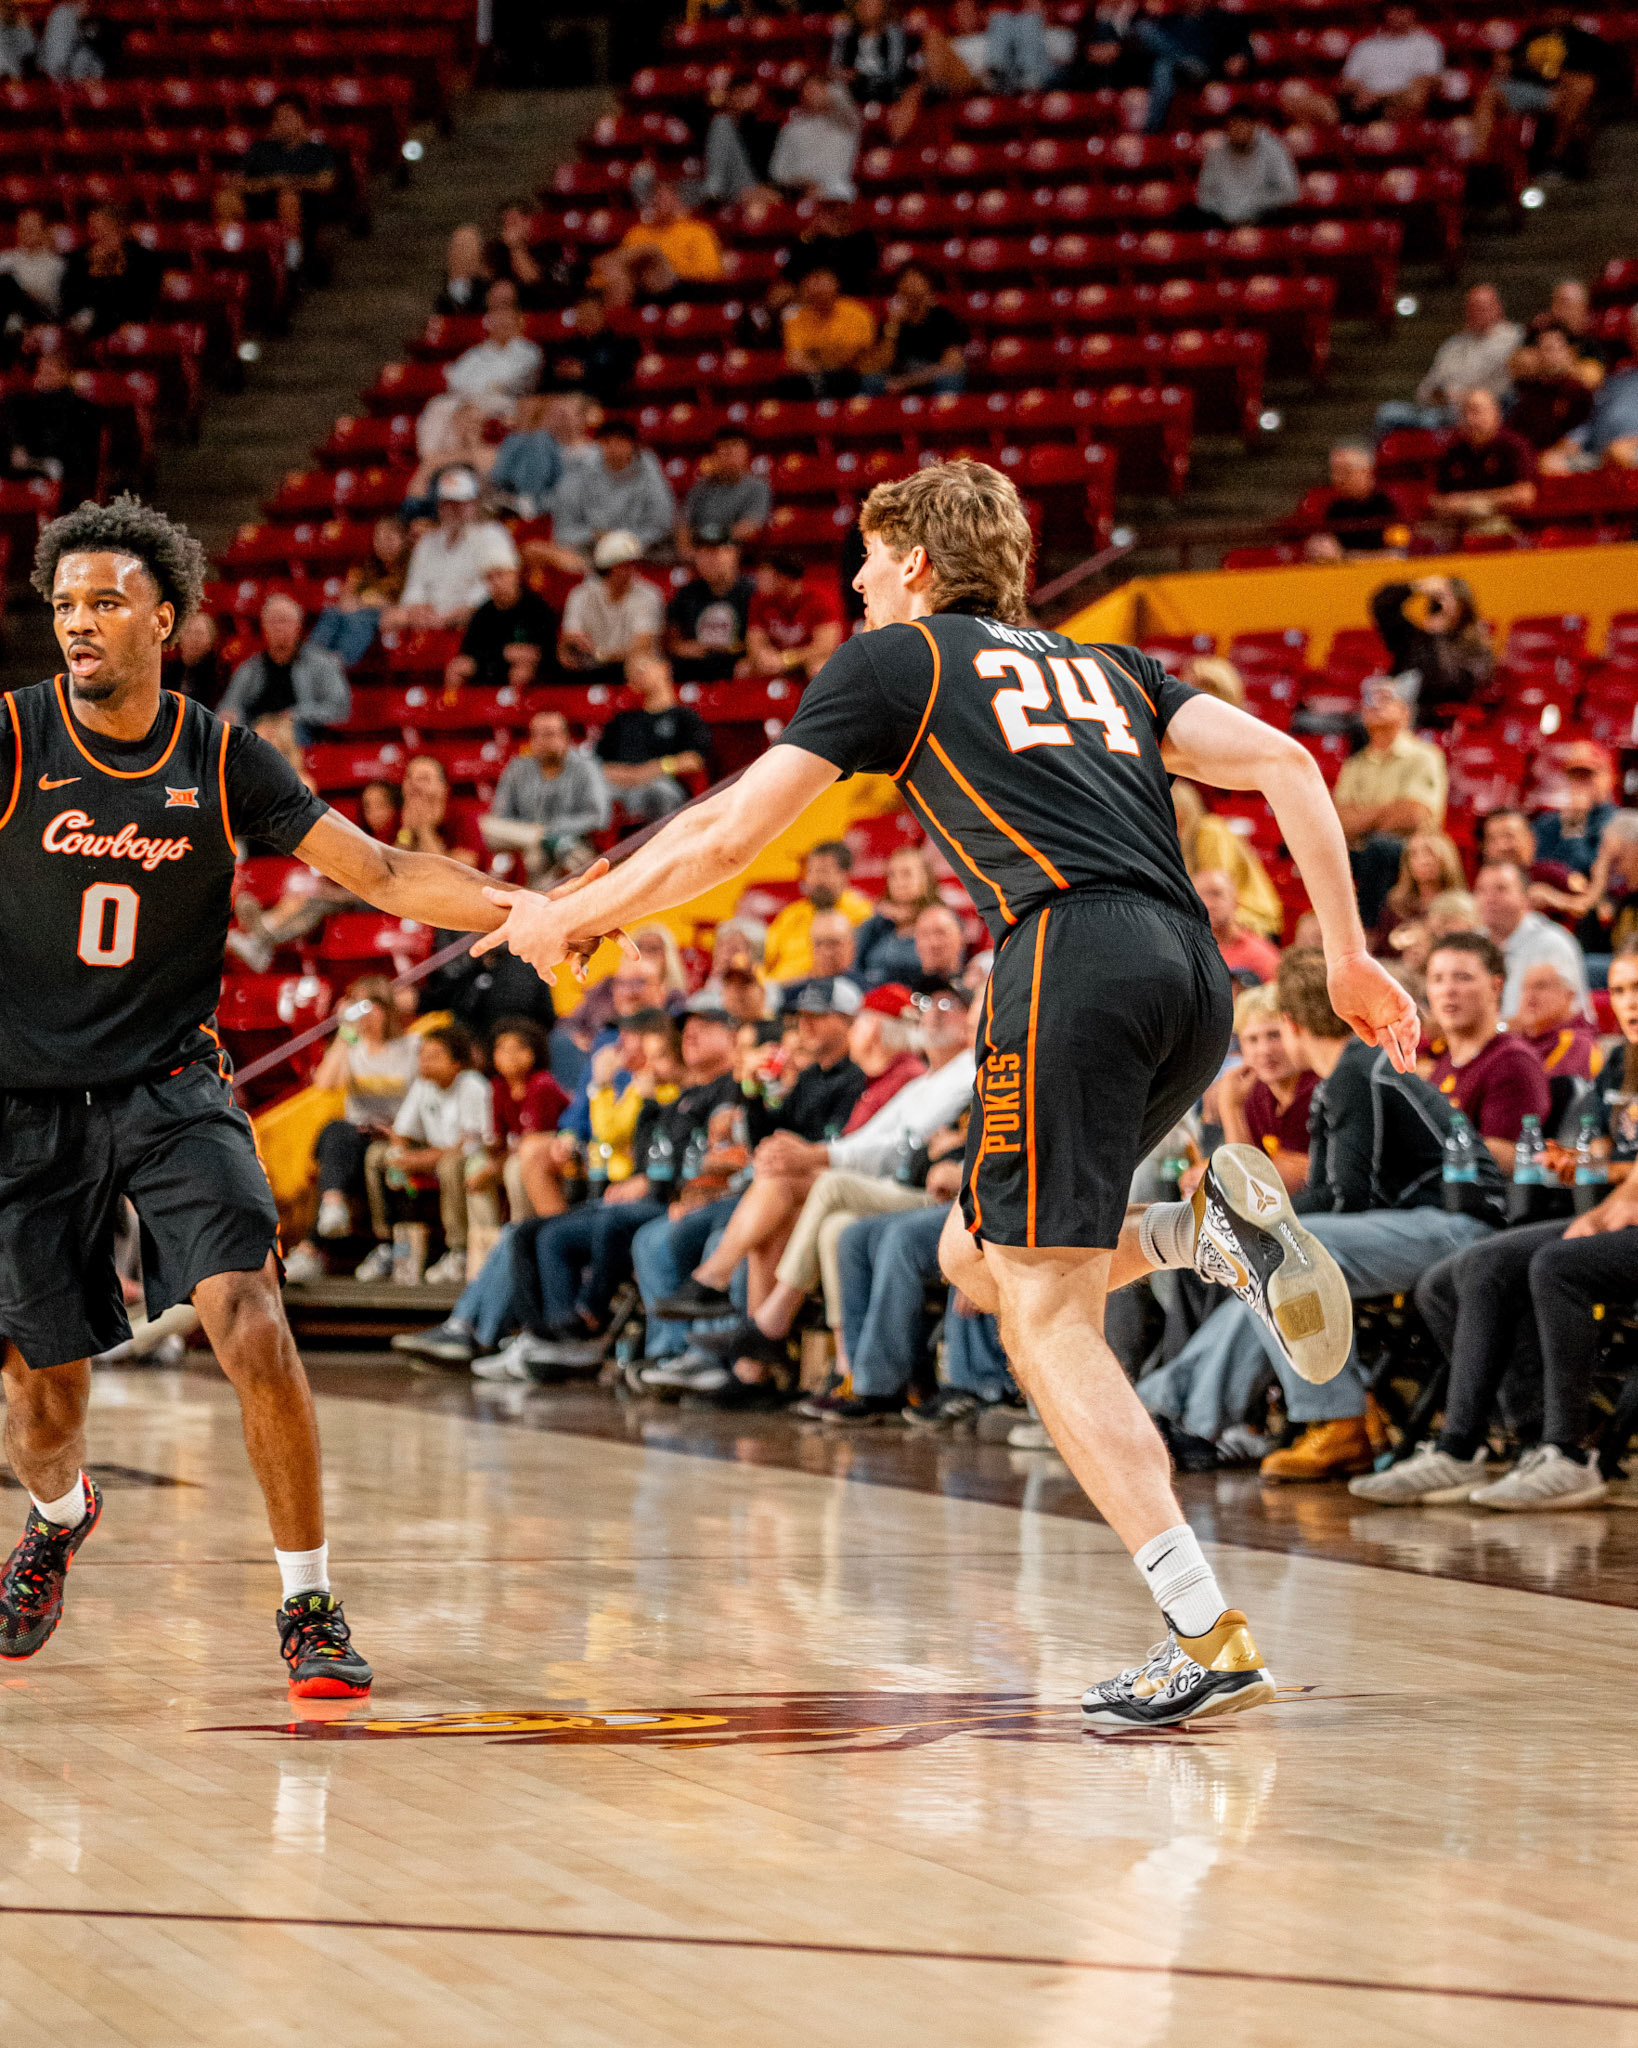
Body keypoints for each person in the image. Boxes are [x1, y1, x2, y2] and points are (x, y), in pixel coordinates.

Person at [474, 455, 1418, 1730]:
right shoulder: (1110, 668)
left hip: (1067, 955)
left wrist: (569, 914)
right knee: (981, 1257)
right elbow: (1293, 763)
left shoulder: (897, 661)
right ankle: (1210, 1234)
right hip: (1191, 972)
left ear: (914, 562)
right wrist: (1349, 953)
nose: (857, 584)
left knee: (1041, 1312)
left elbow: (724, 838)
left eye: (866, 559)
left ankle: (1204, 1627)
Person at [0, 493, 539, 1693]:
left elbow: (384, 869)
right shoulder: (15, 737)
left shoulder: (223, 753)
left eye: (103, 601)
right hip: (28, 1102)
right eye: (63, 605)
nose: (78, 623)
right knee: (42, 1403)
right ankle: (59, 1513)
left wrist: (529, 912)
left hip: (172, 1083)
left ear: (167, 619)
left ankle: (309, 1603)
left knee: (248, 1313)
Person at [1146, 949, 1502, 1482]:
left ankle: (1338, 1419)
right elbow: (1344, 1196)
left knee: (1274, 1244)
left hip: (1460, 1226)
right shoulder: (1353, 1070)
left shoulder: (1357, 1075)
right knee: (1262, 1266)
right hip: (1421, 1223)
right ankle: (1172, 1409)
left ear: (1290, 1022)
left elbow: (1343, 1198)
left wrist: (1257, 1218)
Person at [1361, 937, 1638, 1510]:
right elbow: (1600, 1148)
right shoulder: (1621, 1061)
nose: (1629, 1002)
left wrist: (1617, 1181)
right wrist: (1578, 1160)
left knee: (1556, 1266)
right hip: (1613, 1216)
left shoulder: (1510, 1058)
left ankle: (1568, 1451)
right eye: (1619, 990)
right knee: (1466, 1272)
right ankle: (1468, 1445)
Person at [282, 979, 425, 1285]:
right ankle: (331, 1210)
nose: (363, 1013)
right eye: (355, 1004)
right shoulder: (353, 1048)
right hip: (358, 1135)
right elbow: (325, 1083)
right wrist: (345, 1035)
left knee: (366, 1152)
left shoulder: (412, 1047)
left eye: (368, 1005)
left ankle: (318, 1248)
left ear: (385, 1009)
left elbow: (423, 1098)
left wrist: (398, 1131)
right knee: (336, 1133)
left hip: (402, 1133)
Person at [356, 1024, 495, 1287]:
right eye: (422, 1055)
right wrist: (398, 1155)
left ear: (457, 1063)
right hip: (433, 1155)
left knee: (450, 1165)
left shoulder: (473, 1086)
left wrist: (417, 1160)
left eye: (434, 1056)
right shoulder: (423, 1085)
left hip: (469, 1160)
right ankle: (388, 1243)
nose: (424, 1062)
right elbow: (401, 1131)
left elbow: (467, 1146)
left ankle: (459, 1250)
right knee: (377, 1156)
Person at [1425, 931, 1552, 1171]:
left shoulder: (1513, 1061)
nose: (1448, 990)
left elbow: (1510, 1156)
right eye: (1437, 979)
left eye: (1463, 977)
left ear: (1496, 986)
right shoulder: (1443, 1062)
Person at [1332, 677, 1448, 925]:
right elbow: (1338, 822)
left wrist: (1361, 817)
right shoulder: (1354, 765)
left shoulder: (1425, 756)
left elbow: (1413, 816)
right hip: (1359, 850)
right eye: (1370, 700)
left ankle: (1368, 931)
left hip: (1412, 848)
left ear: (1405, 712)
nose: (1375, 704)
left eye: (1386, 699)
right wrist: (1388, 812)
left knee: (1380, 847)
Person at [1479, 4, 1609, 181]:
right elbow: (1512, 66)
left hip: (1561, 94)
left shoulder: (1583, 40)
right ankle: (1479, 159)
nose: (1555, 14)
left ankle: (1556, 156)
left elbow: (1592, 74)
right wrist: (1505, 60)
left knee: (1580, 88)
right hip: (1530, 89)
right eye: (1550, 10)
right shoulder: (1532, 35)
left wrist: (1558, 77)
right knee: (1489, 92)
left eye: (1560, 9)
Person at [1374, 285, 1522, 439]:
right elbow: (1425, 389)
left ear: (1497, 307)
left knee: (1432, 422)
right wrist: (1438, 396)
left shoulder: (1513, 339)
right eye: (1472, 307)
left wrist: (1462, 397)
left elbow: (1502, 388)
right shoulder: (1454, 344)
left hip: (1473, 412)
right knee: (1388, 411)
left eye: (1482, 307)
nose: (1476, 312)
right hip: (1437, 408)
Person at [479, 708, 610, 879]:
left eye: (549, 734)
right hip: (526, 840)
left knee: (540, 854)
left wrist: (550, 831)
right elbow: (500, 817)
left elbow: (598, 818)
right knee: (488, 826)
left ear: (565, 738)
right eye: (536, 735)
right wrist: (539, 835)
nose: (541, 741)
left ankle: (545, 843)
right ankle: (544, 842)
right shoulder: (517, 768)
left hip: (573, 842)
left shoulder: (586, 768)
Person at [1215, 984, 1314, 1196]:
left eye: (1274, 1035)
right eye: (1252, 1039)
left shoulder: (1316, 1087)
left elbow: (1247, 1184)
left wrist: (1230, 1109)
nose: (1264, 1050)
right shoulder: (1254, 1093)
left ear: (1294, 1030)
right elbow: (1245, 1179)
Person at [594, 653, 716, 823]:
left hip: (662, 783)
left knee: (658, 794)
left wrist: (657, 768)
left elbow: (694, 760)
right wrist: (627, 774)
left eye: (642, 667)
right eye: (630, 672)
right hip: (620, 785)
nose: (636, 674)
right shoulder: (621, 720)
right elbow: (597, 763)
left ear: (664, 668)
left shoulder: (685, 717)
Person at [218, 592, 351, 746]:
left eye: (284, 621)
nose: (279, 627)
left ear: (298, 626)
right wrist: (230, 716)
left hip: (301, 737)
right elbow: (229, 705)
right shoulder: (250, 667)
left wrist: (296, 715)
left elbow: (339, 708)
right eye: (273, 622)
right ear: (264, 627)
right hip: (255, 737)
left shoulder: (322, 663)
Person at [399, 469, 519, 631]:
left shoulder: (493, 535)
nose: (452, 509)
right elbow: (414, 588)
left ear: (473, 503)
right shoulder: (427, 542)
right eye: (446, 503)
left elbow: (495, 590)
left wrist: (449, 617)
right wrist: (419, 611)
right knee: (389, 618)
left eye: (459, 503)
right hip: (427, 622)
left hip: (473, 623)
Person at [1474, 859, 1591, 1020]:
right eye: (1481, 890)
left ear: (1525, 897)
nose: (1489, 899)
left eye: (1501, 889)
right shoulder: (1471, 945)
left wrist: (1500, 1029)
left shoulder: (1553, 944)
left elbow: (1571, 1016)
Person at [548, 417, 676, 563]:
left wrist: (623, 541)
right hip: (590, 551)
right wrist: (594, 535)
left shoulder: (649, 469)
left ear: (633, 445)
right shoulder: (579, 471)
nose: (614, 448)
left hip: (641, 550)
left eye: (621, 441)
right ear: (598, 444)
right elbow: (563, 530)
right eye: (607, 442)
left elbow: (661, 524)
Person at [1368, 575, 1491, 725]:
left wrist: (1438, 639)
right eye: (1436, 599)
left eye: (1445, 598)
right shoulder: (1415, 637)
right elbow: (1382, 606)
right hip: (1395, 707)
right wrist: (1415, 587)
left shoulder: (1475, 644)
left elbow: (1452, 686)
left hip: (1435, 715)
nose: (1438, 605)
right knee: (1346, 720)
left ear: (1462, 604)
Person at [234, 94, 336, 270]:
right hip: (260, 202)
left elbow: (325, 182)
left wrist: (290, 183)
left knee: (288, 199)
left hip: (304, 207)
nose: (283, 122)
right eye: (278, 118)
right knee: (227, 200)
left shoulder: (318, 150)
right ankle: (233, 258)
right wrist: (270, 183)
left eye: (288, 117)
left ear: (302, 119)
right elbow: (239, 181)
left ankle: (292, 263)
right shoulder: (260, 149)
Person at [1130, 0, 1253, 133]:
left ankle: (1152, 130)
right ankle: (1153, 130)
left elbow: (1244, 45)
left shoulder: (1222, 19)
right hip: (1178, 70)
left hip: (1207, 70)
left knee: (1163, 63)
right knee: (1158, 57)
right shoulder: (1172, 20)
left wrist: (1241, 55)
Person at [1427, 390, 1537, 539]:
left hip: (1504, 522)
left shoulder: (1514, 446)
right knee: (1423, 536)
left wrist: (1470, 502)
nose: (1470, 419)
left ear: (1495, 413)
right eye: (1465, 413)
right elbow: (1436, 497)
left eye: (1476, 412)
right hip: (1455, 522)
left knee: (1480, 524)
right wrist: (1446, 505)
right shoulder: (1454, 450)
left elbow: (1524, 495)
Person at [763, 839, 875, 983]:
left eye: (823, 871)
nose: (815, 878)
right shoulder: (792, 914)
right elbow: (763, 958)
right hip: (775, 990)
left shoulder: (861, 914)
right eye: (810, 871)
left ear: (844, 875)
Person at [1, 349, 100, 509]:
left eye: (51, 372)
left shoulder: (81, 407)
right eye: (41, 372)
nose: (44, 377)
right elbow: (16, 427)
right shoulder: (25, 404)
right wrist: (20, 447)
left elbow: (80, 449)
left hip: (66, 468)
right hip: (31, 466)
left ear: (65, 375)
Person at [309, 516, 412, 668]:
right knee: (332, 612)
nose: (383, 544)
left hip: (392, 614)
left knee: (358, 619)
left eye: (389, 539)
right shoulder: (368, 564)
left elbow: (402, 599)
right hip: (363, 609)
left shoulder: (411, 565)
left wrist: (362, 602)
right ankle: (309, 660)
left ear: (404, 541)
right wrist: (350, 601)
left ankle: (340, 665)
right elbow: (349, 593)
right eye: (378, 539)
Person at [558, 531, 664, 675]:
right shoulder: (581, 594)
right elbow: (569, 637)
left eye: (632, 565)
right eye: (622, 566)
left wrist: (601, 655)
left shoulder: (648, 595)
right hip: (588, 669)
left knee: (641, 663)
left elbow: (642, 647)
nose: (629, 571)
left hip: (631, 671)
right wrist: (574, 644)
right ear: (606, 568)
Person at [445, 556, 556, 693]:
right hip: (491, 663)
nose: (496, 582)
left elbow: (547, 647)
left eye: (500, 575)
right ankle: (454, 709)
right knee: (457, 668)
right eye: (490, 578)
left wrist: (528, 654)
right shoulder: (483, 612)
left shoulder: (536, 607)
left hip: (528, 668)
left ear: (515, 575)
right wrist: (504, 652)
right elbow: (470, 649)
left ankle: (515, 711)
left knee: (521, 671)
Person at [862, 266, 968, 396]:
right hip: (901, 371)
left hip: (930, 373)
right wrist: (893, 324)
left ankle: (946, 416)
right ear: (898, 288)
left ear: (928, 286)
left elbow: (953, 364)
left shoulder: (943, 317)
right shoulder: (892, 321)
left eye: (916, 281)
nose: (911, 287)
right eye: (906, 282)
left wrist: (906, 382)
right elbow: (882, 363)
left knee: (951, 380)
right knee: (870, 380)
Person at [59, 204, 162, 339]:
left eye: (102, 230)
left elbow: (141, 299)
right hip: (87, 328)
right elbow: (70, 300)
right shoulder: (79, 259)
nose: (94, 235)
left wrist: (110, 268)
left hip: (130, 325)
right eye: (92, 229)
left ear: (119, 228)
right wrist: (96, 271)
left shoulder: (145, 259)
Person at [666, 531, 755, 683]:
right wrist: (684, 648)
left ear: (733, 554)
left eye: (714, 552)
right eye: (702, 553)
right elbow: (672, 641)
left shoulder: (751, 592)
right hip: (695, 664)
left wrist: (725, 648)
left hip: (736, 662)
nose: (708, 560)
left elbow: (760, 639)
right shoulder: (686, 593)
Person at [782, 266, 877, 401]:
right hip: (818, 376)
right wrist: (820, 366)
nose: (818, 287)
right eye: (813, 282)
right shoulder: (796, 318)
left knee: (869, 381)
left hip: (856, 374)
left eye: (822, 281)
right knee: (789, 384)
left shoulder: (857, 312)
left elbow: (854, 355)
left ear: (836, 284)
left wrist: (817, 355)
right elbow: (795, 359)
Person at [743, 554, 843, 681]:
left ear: (783, 578)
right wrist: (763, 655)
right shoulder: (759, 600)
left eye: (765, 576)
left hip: (806, 658)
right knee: (743, 669)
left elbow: (825, 646)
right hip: (775, 659)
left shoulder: (819, 600)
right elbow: (754, 639)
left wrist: (787, 659)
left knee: (818, 669)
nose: (757, 580)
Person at [1299, 444, 1404, 563]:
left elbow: (1398, 556)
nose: (1337, 478)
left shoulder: (1389, 504)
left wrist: (1344, 556)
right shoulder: (1336, 508)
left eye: (1345, 471)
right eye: (1334, 472)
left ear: (1366, 472)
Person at [855, 843, 942, 986]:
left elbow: (945, 971)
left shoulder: (943, 921)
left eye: (906, 874)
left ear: (926, 878)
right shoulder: (876, 923)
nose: (898, 882)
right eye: (892, 875)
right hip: (873, 998)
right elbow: (856, 969)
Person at [1335, 5, 1443, 121]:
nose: (1397, 14)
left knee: (1415, 95)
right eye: (1393, 9)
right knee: (1319, 104)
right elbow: (1347, 82)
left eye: (1403, 9)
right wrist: (1362, 91)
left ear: (1413, 12)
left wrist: (1380, 97)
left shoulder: (1427, 43)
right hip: (1363, 102)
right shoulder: (1365, 45)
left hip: (1399, 102)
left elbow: (1427, 80)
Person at [768, 71, 864, 200]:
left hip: (835, 188)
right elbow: (777, 171)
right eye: (808, 89)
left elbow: (847, 109)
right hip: (796, 190)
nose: (812, 94)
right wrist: (800, 183)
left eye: (818, 89)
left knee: (842, 190)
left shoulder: (847, 124)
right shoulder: (791, 129)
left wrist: (835, 86)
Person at [1370, 829, 1465, 956]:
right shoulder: (1396, 905)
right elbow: (1383, 952)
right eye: (1414, 854)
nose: (1424, 860)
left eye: (1429, 852)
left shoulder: (1463, 905)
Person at [1194, 115, 1299, 228]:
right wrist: (1227, 210)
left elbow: (1290, 193)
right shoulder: (1215, 154)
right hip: (1224, 217)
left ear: (1253, 127)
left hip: (1263, 215)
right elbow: (1204, 196)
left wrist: (1253, 204)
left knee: (1285, 217)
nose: (1239, 131)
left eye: (1243, 126)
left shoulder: (1274, 150)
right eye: (1234, 127)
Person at [1533, 741, 1616, 880]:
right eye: (1576, 775)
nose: (1582, 782)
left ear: (1609, 777)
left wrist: (1574, 822)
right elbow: (1538, 868)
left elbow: (1584, 872)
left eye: (1588, 774)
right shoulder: (1547, 822)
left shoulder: (1618, 822)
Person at [1507, 326, 1597, 452]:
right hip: (1529, 457)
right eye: (1543, 349)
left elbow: (1586, 432)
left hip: (1564, 459)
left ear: (1570, 352)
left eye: (1554, 349)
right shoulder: (1528, 393)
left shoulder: (1579, 392)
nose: (1549, 355)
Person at [1510, 958, 1601, 1079]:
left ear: (1569, 995)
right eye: (1525, 988)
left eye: (1540, 986)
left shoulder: (1579, 1044)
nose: (1530, 996)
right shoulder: (1514, 1038)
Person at [680, 431, 772, 551]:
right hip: (699, 550)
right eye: (723, 447)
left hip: (734, 550)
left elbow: (748, 528)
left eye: (735, 446)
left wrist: (708, 538)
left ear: (747, 452)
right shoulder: (701, 486)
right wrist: (686, 551)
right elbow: (683, 523)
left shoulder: (757, 486)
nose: (729, 452)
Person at [547, 291, 639, 411]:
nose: (587, 318)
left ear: (602, 313)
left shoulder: (619, 344)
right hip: (564, 399)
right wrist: (560, 372)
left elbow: (620, 377)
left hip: (601, 402)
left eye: (591, 312)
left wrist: (586, 371)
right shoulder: (567, 345)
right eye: (583, 313)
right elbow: (551, 374)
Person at [616, 184, 724, 286]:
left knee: (653, 251)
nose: (658, 201)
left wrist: (669, 273)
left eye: (664, 198)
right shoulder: (637, 233)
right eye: (655, 197)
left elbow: (710, 272)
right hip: (640, 290)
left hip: (683, 289)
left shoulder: (698, 232)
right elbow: (621, 266)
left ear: (677, 200)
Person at [703, 77, 784, 206]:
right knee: (721, 122)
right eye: (740, 93)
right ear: (731, 95)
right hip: (727, 189)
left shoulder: (763, 128)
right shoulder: (719, 123)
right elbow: (716, 171)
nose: (745, 98)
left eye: (750, 94)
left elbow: (769, 173)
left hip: (752, 188)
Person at [1193, 867, 1281, 985]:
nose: (1208, 904)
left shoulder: (1261, 954)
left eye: (1216, 894)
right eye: (1200, 896)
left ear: (1235, 901)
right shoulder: (1183, 949)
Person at [0, 210, 65, 331]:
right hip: (9, 314)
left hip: (40, 315)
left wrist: (22, 291)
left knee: (7, 282)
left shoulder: (56, 263)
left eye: (32, 228)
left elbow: (52, 300)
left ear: (44, 231)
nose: (26, 232)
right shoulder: (4, 259)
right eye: (23, 227)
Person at [908, 899, 967, 992]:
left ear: (962, 938)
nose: (933, 943)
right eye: (924, 934)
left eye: (941, 933)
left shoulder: (983, 989)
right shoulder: (906, 990)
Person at [435, 223, 492, 315]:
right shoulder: (438, 290)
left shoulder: (490, 292)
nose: (462, 253)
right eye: (458, 246)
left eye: (468, 247)